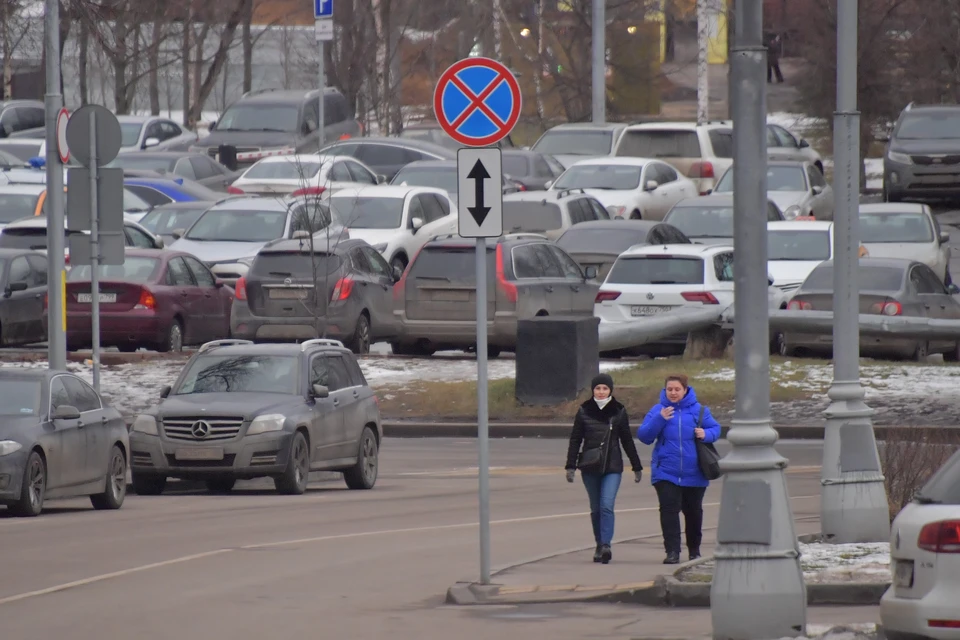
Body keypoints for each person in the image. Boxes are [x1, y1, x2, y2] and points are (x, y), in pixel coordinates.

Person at [638, 374, 721, 565]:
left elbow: (716, 429)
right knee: (669, 511)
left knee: (693, 512)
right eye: (670, 389)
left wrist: (706, 434)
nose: (673, 393)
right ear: (665, 390)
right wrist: (660, 419)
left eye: (677, 389)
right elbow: (644, 436)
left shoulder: (699, 411)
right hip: (666, 472)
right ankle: (672, 551)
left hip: (696, 472)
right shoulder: (659, 410)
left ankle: (694, 551)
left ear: (685, 390)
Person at [565, 373, 644, 565]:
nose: (601, 392)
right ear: (593, 390)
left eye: (605, 388)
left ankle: (607, 544)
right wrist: (570, 465)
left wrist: (636, 465)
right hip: (590, 466)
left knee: (606, 505)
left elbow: (626, 439)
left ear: (610, 390)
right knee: (596, 508)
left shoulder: (618, 411)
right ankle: (599, 544)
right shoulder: (584, 411)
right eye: (598, 388)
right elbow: (576, 439)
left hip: (612, 466)